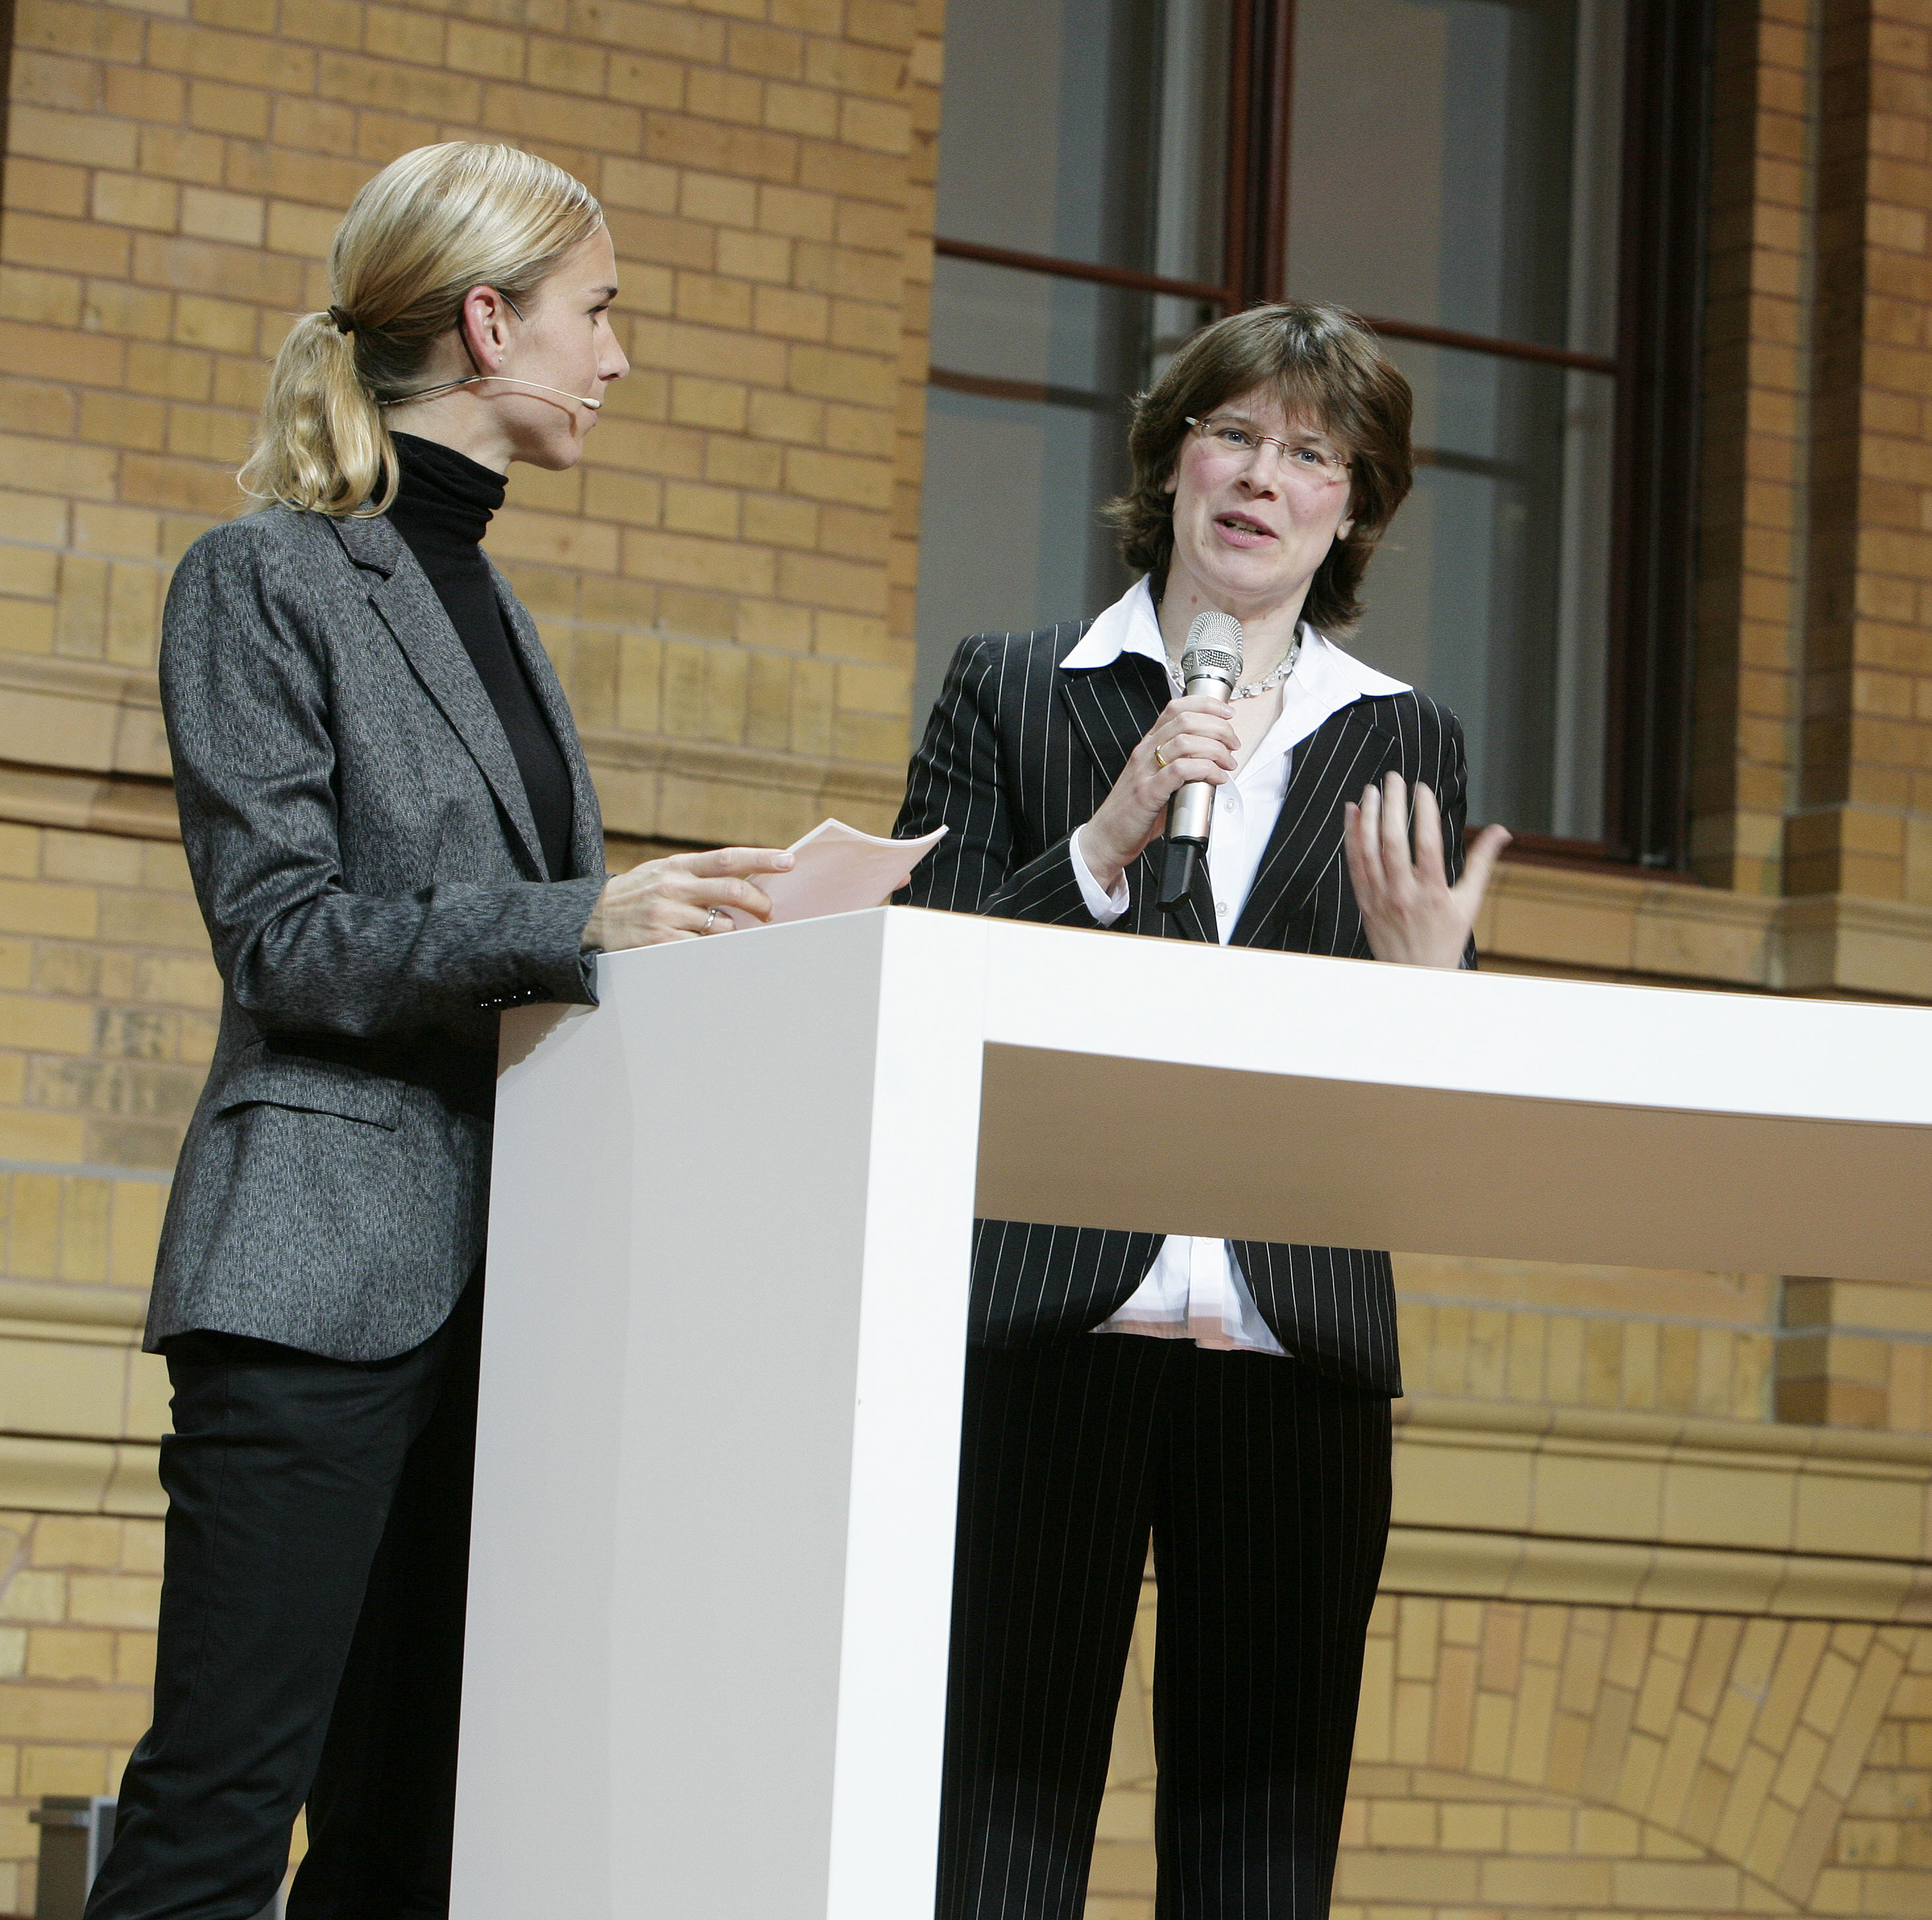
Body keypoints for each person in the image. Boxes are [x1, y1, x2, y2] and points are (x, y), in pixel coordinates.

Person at [89, 142, 793, 1920]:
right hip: (317, 1280)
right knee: (218, 1812)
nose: (617, 354)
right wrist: (578, 916)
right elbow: (284, 939)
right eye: (596, 310)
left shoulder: (493, 609)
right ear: (489, 324)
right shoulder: (262, 578)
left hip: (510, 1301)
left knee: (421, 1837)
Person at [893, 301, 1507, 1919]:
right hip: (1043, 1333)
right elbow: (919, 988)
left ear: (1354, 509)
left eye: (1311, 453)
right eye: (1232, 434)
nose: (1261, 476)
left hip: (1294, 1346)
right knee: (990, 1840)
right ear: (1171, 460)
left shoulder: (1404, 735)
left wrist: (1433, 987)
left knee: (1260, 1859)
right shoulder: (1014, 689)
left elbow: (1428, 1109)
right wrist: (1103, 843)